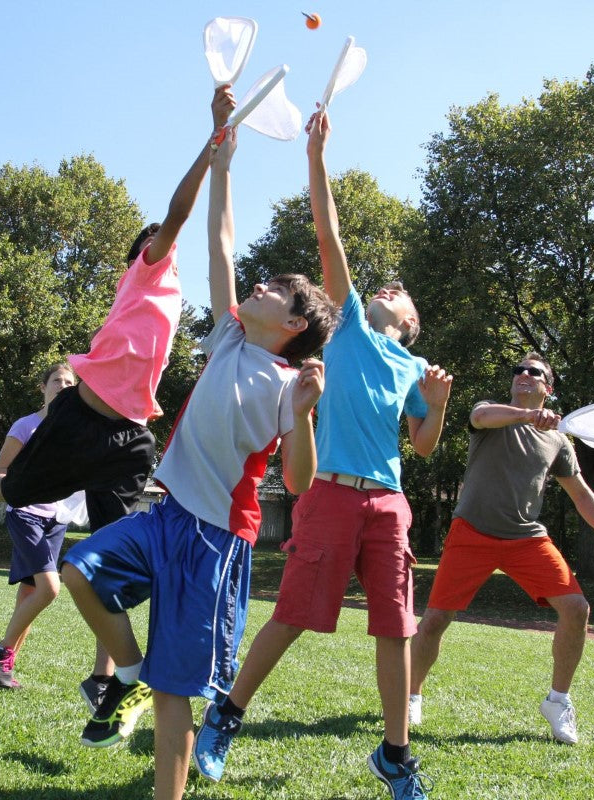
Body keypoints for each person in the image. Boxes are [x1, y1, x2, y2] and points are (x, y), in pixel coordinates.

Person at [0, 84, 236, 720]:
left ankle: (108, 681)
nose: (167, 240)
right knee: (12, 489)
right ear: (143, 253)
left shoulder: (176, 295)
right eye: (158, 237)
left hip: (127, 439)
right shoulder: (147, 271)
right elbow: (178, 215)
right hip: (79, 421)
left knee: (115, 555)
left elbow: (212, 235)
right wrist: (210, 145)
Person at [61, 124, 338, 800]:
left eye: (275, 287)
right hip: (166, 516)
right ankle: (125, 671)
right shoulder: (228, 337)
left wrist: (301, 416)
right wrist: (224, 162)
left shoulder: (285, 385)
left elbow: (299, 482)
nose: (259, 286)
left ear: (294, 324)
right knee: (78, 570)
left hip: (215, 543)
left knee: (177, 690)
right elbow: (220, 241)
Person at [192, 110, 452, 800]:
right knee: (295, 613)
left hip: (387, 502)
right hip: (331, 493)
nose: (387, 290)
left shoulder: (412, 367)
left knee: (396, 629)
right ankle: (227, 712)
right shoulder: (347, 333)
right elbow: (328, 234)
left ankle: (394, 755)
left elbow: (422, 449)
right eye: (384, 290)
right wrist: (317, 156)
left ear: (413, 323)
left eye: (400, 295)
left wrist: (441, 402)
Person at [409, 353, 594, 744]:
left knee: (577, 608)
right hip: (471, 533)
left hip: (526, 538)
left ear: (548, 388)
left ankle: (558, 701)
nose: (524, 375)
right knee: (434, 621)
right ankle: (411, 694)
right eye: (519, 371)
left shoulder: (559, 440)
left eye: (535, 373)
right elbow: (482, 417)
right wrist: (527, 416)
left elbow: (580, 493)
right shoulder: (488, 413)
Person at [0, 362, 83, 689]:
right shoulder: (25, 426)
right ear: (43, 388)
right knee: (50, 588)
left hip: (55, 520)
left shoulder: (73, 432)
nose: (62, 384)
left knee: (30, 594)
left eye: (69, 381)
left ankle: (6, 665)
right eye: (56, 380)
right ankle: (2, 651)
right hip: (25, 514)